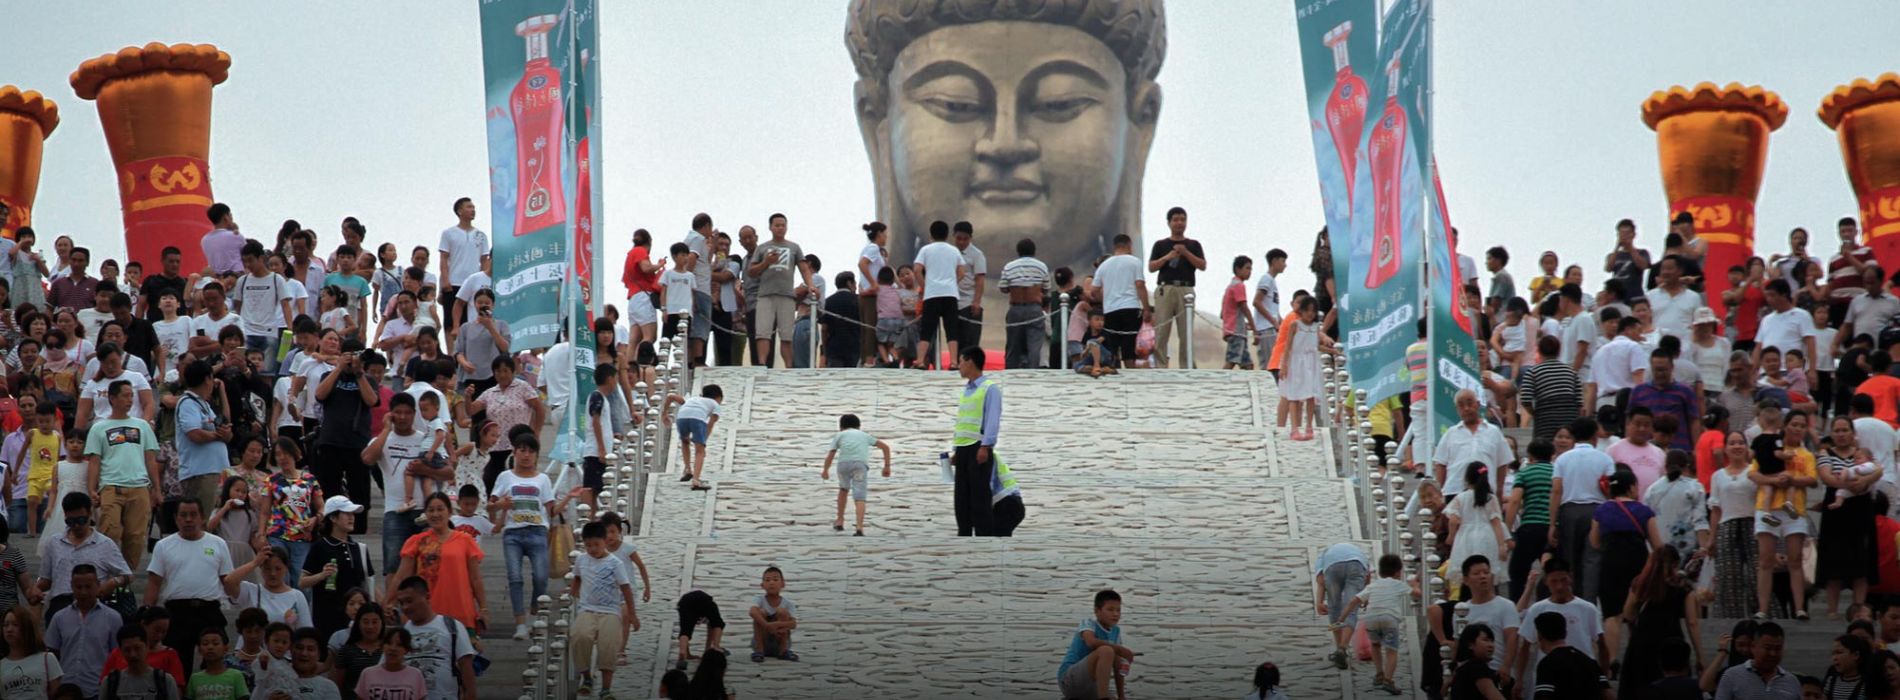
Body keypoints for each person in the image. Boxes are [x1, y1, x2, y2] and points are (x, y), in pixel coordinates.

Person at [143, 497, 234, 675]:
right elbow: (154, 583)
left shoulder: (218, 544)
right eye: (183, 515)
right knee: (177, 667)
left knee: (214, 665)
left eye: (193, 515)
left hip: (209, 611)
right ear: (176, 518)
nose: (188, 520)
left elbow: (228, 580)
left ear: (202, 517)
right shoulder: (163, 546)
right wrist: (146, 612)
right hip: (177, 613)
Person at [84, 379, 160, 569]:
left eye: (131, 396)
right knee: (110, 531)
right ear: (112, 398)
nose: (129, 400)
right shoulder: (98, 427)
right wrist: (91, 489)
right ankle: (106, 572)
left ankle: (126, 578)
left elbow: (151, 459)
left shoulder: (142, 426)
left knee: (135, 537)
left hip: (139, 487)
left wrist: (157, 489)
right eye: (125, 395)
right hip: (111, 486)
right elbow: (94, 461)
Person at [361, 392, 437, 577]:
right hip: (395, 511)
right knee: (393, 567)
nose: (402, 417)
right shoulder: (383, 440)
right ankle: (392, 606)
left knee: (426, 568)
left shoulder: (425, 438)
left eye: (407, 413)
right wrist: (386, 430)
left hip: (425, 512)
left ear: (414, 414)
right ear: (391, 414)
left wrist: (425, 470)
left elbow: (448, 471)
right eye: (398, 412)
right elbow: (367, 459)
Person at [1589, 469, 1661, 663]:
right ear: (1631, 488)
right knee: (1636, 610)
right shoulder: (1644, 511)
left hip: (1611, 562)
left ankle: (1612, 660)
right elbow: (1658, 546)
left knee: (1612, 613)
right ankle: (1637, 657)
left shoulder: (1602, 510)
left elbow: (1594, 542)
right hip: (1639, 562)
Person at [1753, 409, 1818, 621]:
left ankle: (1799, 607)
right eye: (1794, 424)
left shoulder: (1806, 454)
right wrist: (1774, 481)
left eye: (1802, 425)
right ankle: (1762, 609)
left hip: (1794, 510)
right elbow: (1753, 472)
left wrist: (1791, 480)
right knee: (1765, 560)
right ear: (1785, 425)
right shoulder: (1772, 444)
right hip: (1768, 505)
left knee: (1795, 559)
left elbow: (1812, 479)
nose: (1798, 429)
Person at [387, 493, 486, 632]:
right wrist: (388, 602)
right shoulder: (416, 541)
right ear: (425, 514)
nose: (435, 514)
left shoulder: (466, 540)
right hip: (425, 613)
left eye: (440, 509)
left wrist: (483, 608)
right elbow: (401, 577)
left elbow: (475, 579)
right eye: (431, 510)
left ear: (450, 512)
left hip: (461, 611)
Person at [1616, 546, 1703, 698]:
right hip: (1670, 640)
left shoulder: (1640, 584)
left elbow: (1628, 614)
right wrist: (1700, 656)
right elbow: (1692, 623)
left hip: (1642, 640)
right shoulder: (1682, 587)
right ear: (1675, 564)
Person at [1512, 558, 1607, 697]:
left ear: (1571, 578)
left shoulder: (1587, 609)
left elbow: (1602, 645)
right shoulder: (1537, 609)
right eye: (1554, 581)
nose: (1559, 586)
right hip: (1548, 673)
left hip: (1582, 675)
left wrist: (1603, 677)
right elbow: (1525, 646)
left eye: (1563, 580)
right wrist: (1519, 679)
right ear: (1546, 582)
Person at [313, 346, 382, 536]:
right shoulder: (330, 375)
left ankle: (359, 530)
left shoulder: (367, 379)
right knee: (329, 489)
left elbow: (371, 400)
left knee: (360, 491)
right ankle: (328, 531)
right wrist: (338, 368)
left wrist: (359, 373)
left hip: (357, 443)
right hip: (330, 441)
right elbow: (319, 395)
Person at [570, 521, 637, 697]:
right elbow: (577, 576)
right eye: (588, 545)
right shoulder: (581, 559)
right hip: (588, 609)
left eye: (596, 544)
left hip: (610, 611)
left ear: (605, 541)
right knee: (579, 637)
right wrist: (574, 588)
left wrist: (632, 614)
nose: (592, 549)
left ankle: (606, 688)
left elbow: (626, 588)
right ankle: (587, 677)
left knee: (608, 647)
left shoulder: (615, 563)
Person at [1551, 417, 1614, 600]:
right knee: (1592, 560)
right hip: (1597, 512)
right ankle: (1589, 602)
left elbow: (1556, 491)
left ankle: (1572, 600)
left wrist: (1552, 523)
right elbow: (1610, 489)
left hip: (1569, 512)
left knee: (1570, 560)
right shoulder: (1605, 458)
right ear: (1595, 436)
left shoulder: (1562, 459)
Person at [464, 356, 542, 494]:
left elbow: (539, 408)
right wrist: (468, 397)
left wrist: (536, 433)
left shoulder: (523, 387)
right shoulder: (490, 392)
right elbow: (471, 410)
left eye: (505, 371)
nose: (502, 375)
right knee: (490, 482)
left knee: (519, 483)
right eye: (498, 371)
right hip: (496, 446)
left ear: (512, 371)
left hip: (519, 445)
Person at [43, 564, 121, 700]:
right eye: (79, 587)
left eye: (88, 586)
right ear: (72, 586)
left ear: (98, 585)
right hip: (66, 691)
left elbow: (117, 655)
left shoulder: (113, 618)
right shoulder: (60, 617)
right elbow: (52, 654)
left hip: (98, 690)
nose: (84, 592)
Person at [302, 496, 373, 642]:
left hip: (356, 619)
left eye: (352, 514)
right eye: (347, 514)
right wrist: (322, 575)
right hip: (327, 619)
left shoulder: (359, 548)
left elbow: (367, 580)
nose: (351, 518)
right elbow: (302, 582)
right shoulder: (320, 547)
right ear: (333, 518)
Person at [746, 214, 812, 368]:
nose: (780, 228)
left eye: (783, 225)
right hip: (765, 295)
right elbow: (751, 271)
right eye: (777, 225)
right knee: (763, 333)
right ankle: (762, 363)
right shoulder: (762, 248)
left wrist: (810, 285)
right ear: (770, 227)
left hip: (787, 295)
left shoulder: (794, 247)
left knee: (786, 335)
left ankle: (788, 366)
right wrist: (766, 262)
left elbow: (804, 268)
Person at [395, 576, 476, 700]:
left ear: (427, 597)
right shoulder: (400, 634)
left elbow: (466, 666)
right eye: (401, 603)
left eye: (409, 601)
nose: (405, 607)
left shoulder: (452, 626)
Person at [256, 439, 321, 590]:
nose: (282, 457)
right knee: (280, 575)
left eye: (285, 453)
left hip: (303, 536)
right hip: (278, 535)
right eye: (278, 454)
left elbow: (321, 507)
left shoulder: (310, 479)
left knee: (301, 579)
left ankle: (302, 611)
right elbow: (265, 511)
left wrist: (315, 519)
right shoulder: (271, 480)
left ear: (294, 453)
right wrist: (261, 534)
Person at [1339, 554, 1408, 695]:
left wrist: (1342, 618)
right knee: (1391, 650)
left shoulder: (1373, 585)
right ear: (1398, 572)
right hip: (1389, 618)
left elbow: (1354, 601)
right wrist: (1415, 587)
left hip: (1370, 619)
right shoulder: (1398, 584)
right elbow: (1417, 593)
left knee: (1375, 645)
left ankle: (1379, 674)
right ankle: (1388, 680)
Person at [951, 347, 1002, 536]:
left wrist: (986, 446)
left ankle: (984, 537)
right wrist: (956, 450)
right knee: (961, 497)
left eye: (961, 361)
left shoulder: (989, 388)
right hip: (963, 449)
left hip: (979, 448)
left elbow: (992, 419)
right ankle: (963, 535)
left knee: (979, 496)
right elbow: (963, 421)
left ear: (970, 361)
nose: (958, 366)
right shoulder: (966, 390)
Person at [1147, 207, 1205, 369]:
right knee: (1162, 331)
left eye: (1182, 219)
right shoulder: (1161, 245)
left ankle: (1187, 366)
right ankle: (1161, 365)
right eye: (1176, 219)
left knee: (1186, 332)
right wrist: (1168, 257)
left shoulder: (1193, 245)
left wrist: (1185, 253)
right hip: (1166, 289)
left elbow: (1202, 265)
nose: (1179, 223)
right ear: (1169, 223)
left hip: (1186, 289)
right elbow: (1151, 267)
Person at [820, 413, 892, 536]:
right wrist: (886, 466)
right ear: (859, 426)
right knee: (860, 496)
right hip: (860, 465)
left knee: (843, 490)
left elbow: (831, 454)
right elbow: (885, 447)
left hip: (843, 465)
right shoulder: (864, 435)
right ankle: (859, 527)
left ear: (841, 426)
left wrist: (825, 470)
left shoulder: (840, 435)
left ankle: (840, 520)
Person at [175, 359, 230, 516]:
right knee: (203, 520)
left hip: (214, 471)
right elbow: (195, 434)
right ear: (207, 379)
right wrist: (218, 435)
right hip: (200, 473)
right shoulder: (187, 403)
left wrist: (222, 392)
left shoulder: (203, 405)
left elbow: (225, 421)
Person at [1056, 589, 1133, 700]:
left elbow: (1118, 664)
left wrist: (1121, 696)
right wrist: (1121, 649)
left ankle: (1107, 695)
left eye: (1118, 610)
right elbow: (1091, 642)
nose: (1115, 614)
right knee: (1106, 650)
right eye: (1110, 610)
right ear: (1097, 611)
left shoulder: (1115, 631)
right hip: (1069, 681)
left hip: (1092, 687)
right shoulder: (1089, 623)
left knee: (1118, 657)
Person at [1447, 464, 1510, 594]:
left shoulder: (1460, 497)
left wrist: (1451, 536)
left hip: (1465, 538)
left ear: (1467, 478)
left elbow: (1453, 520)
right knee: (1488, 572)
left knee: (1467, 571)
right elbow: (1497, 522)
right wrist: (1502, 545)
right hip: (1488, 538)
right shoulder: (1490, 498)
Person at [1089, 234, 1148, 371]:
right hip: (1131, 307)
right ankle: (1130, 373)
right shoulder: (1134, 262)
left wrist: (1104, 299)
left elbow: (1094, 290)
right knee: (1129, 344)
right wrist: (1146, 308)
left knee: (1112, 344)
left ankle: (1112, 371)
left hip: (1111, 310)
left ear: (1114, 247)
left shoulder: (1104, 265)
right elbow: (1140, 285)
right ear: (1129, 245)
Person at [1507, 440, 1557, 600]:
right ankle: (1548, 603)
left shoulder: (1525, 473)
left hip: (1529, 527)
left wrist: (1507, 529)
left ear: (1530, 456)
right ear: (1552, 455)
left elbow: (1514, 501)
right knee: (1551, 570)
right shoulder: (1557, 472)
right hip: (1552, 528)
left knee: (1517, 571)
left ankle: (1518, 607)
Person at [1530, 611, 1612, 700]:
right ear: (1565, 633)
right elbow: (1607, 694)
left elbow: (1543, 696)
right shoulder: (1589, 660)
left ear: (1539, 636)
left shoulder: (1547, 664)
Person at [1279, 297, 1330, 439]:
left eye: (1313, 311)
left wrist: (1332, 351)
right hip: (1296, 362)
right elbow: (1288, 346)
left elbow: (1315, 345)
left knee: (1310, 395)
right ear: (1301, 310)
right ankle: (1295, 428)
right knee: (1294, 395)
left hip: (1311, 363)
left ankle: (1309, 426)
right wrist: (1284, 365)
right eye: (1307, 310)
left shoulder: (1315, 328)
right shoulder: (1295, 325)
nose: (1310, 314)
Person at [1000, 237, 1052, 369]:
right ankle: (1032, 373)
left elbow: (1003, 288)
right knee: (1034, 346)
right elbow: (1046, 289)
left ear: (1018, 251)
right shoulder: (1041, 266)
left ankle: (1010, 373)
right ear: (1034, 251)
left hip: (1015, 308)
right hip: (1034, 308)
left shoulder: (1009, 266)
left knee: (1012, 346)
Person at [1712, 621, 1799, 699]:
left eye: (1777, 649)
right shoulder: (1731, 676)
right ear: (1753, 647)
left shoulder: (1792, 681)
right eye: (1767, 648)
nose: (1773, 654)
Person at [100, 623, 180, 699]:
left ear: (147, 646)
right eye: (127, 650)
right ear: (121, 651)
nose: (133, 654)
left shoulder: (165, 681)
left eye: (137, 648)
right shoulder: (110, 683)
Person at [667, 385, 723, 491]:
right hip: (697, 419)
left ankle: (688, 469)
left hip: (681, 418)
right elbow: (710, 424)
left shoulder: (692, 399)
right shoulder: (715, 404)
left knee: (685, 442)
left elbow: (671, 397)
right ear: (719, 397)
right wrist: (703, 443)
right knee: (699, 452)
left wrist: (664, 414)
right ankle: (696, 480)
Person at [0, 607, 62, 700]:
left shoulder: (47, 659)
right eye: (6, 625)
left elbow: (57, 694)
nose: (9, 629)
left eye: (15, 624)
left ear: (26, 627)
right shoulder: (2, 665)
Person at [353, 628, 425, 700]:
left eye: (399, 645)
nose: (393, 648)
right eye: (389, 643)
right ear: (382, 646)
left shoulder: (415, 674)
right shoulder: (367, 673)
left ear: (406, 650)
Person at [747, 566, 798, 664]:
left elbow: (793, 624)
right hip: (762, 640)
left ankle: (783, 651)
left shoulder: (788, 603)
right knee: (760, 612)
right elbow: (752, 612)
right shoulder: (759, 599)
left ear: (782, 584)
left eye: (775, 579)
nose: (771, 583)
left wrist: (777, 625)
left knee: (782, 612)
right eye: (767, 580)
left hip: (779, 640)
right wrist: (766, 625)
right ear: (762, 585)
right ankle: (759, 651)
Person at [672, 590, 727, 672]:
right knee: (717, 623)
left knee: (685, 630)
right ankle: (716, 646)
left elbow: (686, 630)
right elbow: (714, 628)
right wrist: (708, 649)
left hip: (685, 601)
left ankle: (683, 652)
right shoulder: (711, 607)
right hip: (705, 600)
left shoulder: (687, 606)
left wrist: (688, 654)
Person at [1447, 624, 1505, 700]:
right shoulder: (1476, 667)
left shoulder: (1461, 667)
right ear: (1470, 645)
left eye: (1491, 641)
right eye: (1485, 640)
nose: (1491, 645)